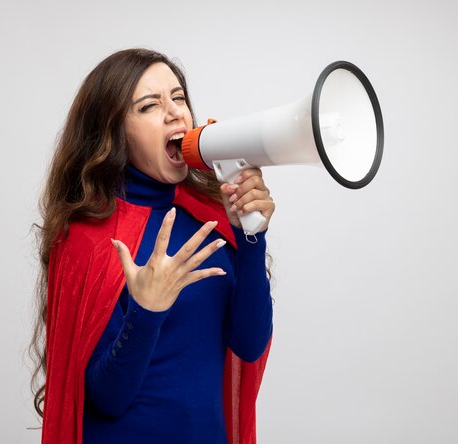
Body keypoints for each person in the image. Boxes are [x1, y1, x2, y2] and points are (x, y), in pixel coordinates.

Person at [29, 48, 275, 444]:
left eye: (179, 98)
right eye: (148, 106)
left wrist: (251, 236)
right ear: (112, 132)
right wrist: (146, 310)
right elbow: (106, 399)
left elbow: (248, 344)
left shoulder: (210, 220)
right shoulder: (86, 238)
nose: (176, 113)